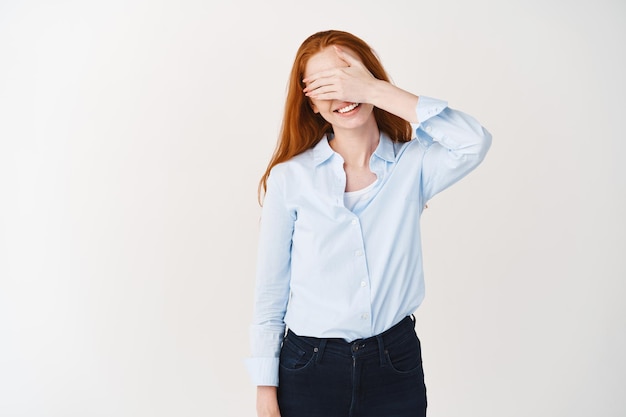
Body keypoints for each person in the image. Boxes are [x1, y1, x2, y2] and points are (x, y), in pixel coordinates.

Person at [246, 29, 492, 417]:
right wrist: (265, 391)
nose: (341, 93)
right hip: (308, 368)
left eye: (348, 76)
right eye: (325, 85)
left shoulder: (415, 166)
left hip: (394, 364)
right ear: (309, 102)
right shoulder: (290, 179)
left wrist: (374, 90)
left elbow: (473, 141)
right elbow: (270, 293)